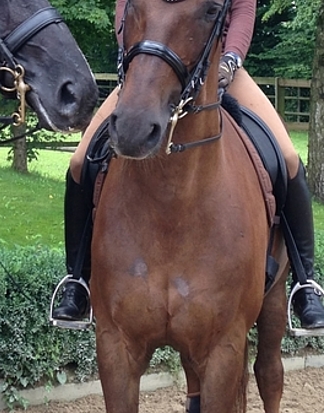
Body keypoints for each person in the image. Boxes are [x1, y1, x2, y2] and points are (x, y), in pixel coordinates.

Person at [50, 0, 324, 331]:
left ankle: (305, 283)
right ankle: (77, 280)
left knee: (289, 158)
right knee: (80, 161)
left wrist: (230, 61)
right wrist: (130, 51)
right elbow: (127, 5)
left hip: (214, 64)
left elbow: (243, 10)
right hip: (155, 67)